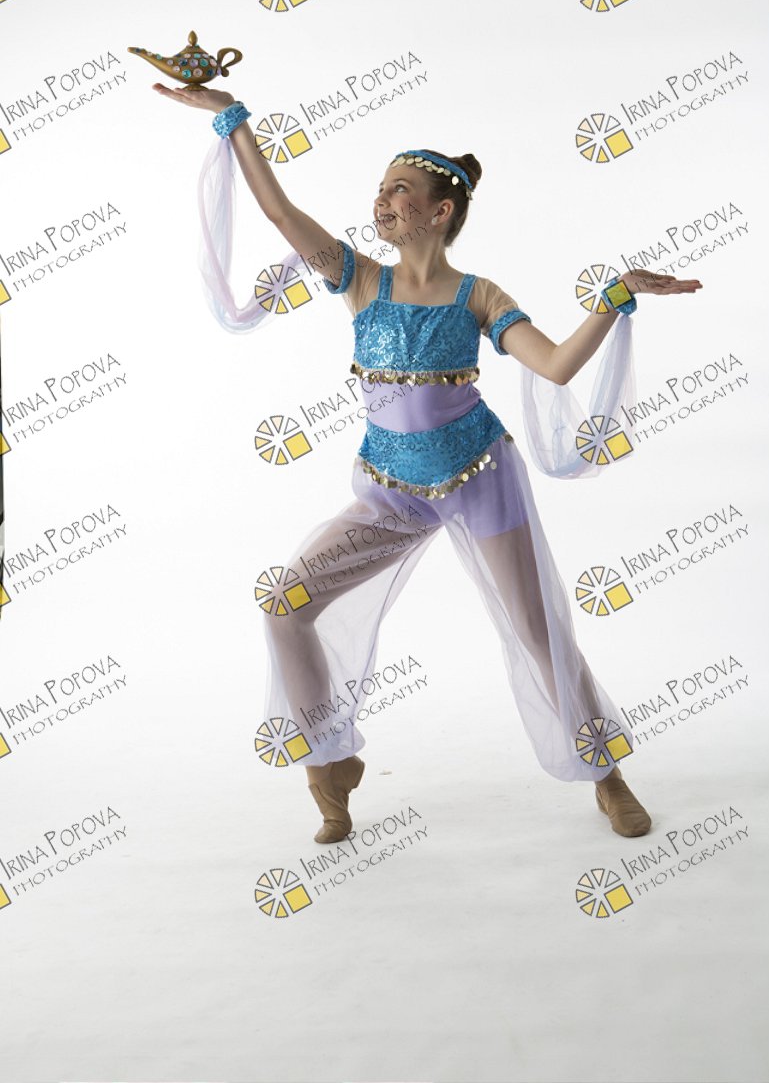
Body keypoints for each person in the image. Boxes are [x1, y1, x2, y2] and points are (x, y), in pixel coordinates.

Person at [154, 82, 702, 846]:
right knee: (285, 602)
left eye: (398, 191)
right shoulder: (358, 278)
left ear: (440, 211)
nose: (381, 201)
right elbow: (279, 212)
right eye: (379, 189)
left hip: (480, 479)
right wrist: (231, 117)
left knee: (538, 630)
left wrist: (612, 297)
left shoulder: (478, 296)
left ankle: (606, 773)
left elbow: (554, 365)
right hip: (393, 492)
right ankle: (330, 762)